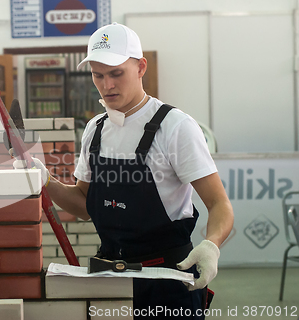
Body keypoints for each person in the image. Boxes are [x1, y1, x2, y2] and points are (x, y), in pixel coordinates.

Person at [14, 23, 234, 318]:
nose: (107, 85)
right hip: (110, 280)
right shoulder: (95, 129)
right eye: (98, 75)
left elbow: (219, 204)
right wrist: (46, 180)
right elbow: (84, 205)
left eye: (117, 73)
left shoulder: (175, 127)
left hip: (166, 282)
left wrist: (211, 245)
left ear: (141, 67)